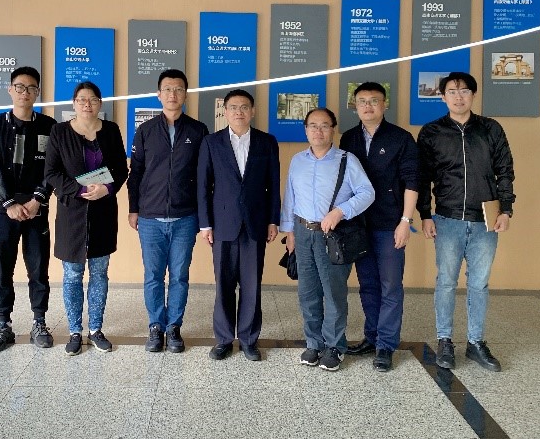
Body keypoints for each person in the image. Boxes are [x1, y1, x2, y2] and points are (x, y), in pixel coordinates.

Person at [417, 71, 515, 372]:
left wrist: (506, 210)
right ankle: (444, 340)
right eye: (452, 91)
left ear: (473, 94)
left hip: (485, 220)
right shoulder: (432, 132)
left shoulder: (490, 129)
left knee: (479, 283)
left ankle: (476, 342)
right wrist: (425, 214)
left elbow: (505, 170)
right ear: (443, 97)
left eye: (464, 91)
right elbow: (422, 177)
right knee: (446, 281)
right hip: (447, 219)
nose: (458, 96)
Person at [280, 108, 375, 372]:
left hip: (333, 236)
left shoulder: (347, 160)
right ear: (306, 130)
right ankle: (314, 343)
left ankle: (335, 346)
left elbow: (367, 192)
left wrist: (340, 211)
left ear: (333, 129)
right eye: (313, 125)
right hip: (302, 233)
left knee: (333, 293)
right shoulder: (298, 160)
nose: (318, 131)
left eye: (324, 125)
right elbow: (290, 198)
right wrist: (289, 232)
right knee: (307, 292)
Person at [127, 69, 209, 353]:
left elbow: (205, 177)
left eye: (178, 89)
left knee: (179, 276)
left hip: (185, 217)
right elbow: (135, 173)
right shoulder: (146, 130)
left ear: (185, 94)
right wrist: (134, 209)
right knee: (153, 276)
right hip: (150, 217)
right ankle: (155, 326)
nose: (173, 94)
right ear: (158, 94)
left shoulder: (198, 131)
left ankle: (174, 327)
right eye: (167, 89)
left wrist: (204, 216)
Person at [45, 82, 128, 356]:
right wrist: (79, 190)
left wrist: (107, 188)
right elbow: (52, 173)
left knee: (100, 273)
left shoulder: (111, 130)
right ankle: (74, 331)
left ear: (100, 103)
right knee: (72, 274)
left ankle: (95, 330)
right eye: (81, 99)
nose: (87, 104)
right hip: (72, 213)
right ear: (74, 103)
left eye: (92, 99)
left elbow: (120, 168)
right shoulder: (59, 132)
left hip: (103, 212)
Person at [340, 82, 418, 372]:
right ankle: (371, 338)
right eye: (362, 101)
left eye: (374, 100)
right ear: (355, 106)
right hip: (358, 225)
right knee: (368, 285)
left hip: (390, 224)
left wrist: (405, 222)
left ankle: (386, 345)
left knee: (390, 286)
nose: (368, 106)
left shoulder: (401, 138)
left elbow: (412, 181)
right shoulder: (348, 138)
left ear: (384, 104)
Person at [197, 89, 281, 362]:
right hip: (222, 224)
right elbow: (203, 186)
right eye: (233, 107)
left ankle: (248, 339)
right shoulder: (211, 142)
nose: (239, 112)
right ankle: (223, 339)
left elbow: (273, 184)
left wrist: (273, 220)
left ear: (252, 111)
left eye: (244, 107)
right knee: (223, 283)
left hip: (256, 223)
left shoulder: (267, 142)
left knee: (251, 284)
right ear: (225, 111)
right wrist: (205, 224)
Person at [0, 66, 57, 353]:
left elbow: (53, 167)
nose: (25, 93)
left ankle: (40, 322)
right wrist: (9, 203)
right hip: (3, 209)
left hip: (37, 208)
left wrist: (37, 199)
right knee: (2, 268)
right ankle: (3, 324)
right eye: (20, 87)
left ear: (38, 92)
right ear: (10, 89)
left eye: (31, 88)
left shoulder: (50, 127)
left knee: (38, 267)